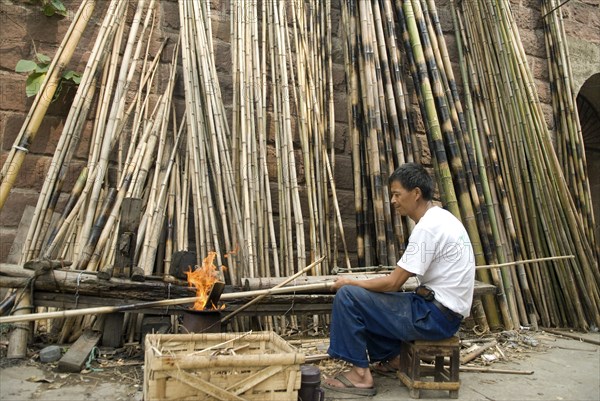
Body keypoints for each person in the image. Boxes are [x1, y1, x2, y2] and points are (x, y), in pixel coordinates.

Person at [322, 163, 475, 396]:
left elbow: (394, 282)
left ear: (415, 193)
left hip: (433, 317)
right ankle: (393, 358)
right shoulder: (442, 219)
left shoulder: (428, 227)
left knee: (349, 298)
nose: (393, 201)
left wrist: (351, 282)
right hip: (445, 315)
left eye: (396, 194)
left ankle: (360, 376)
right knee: (373, 300)